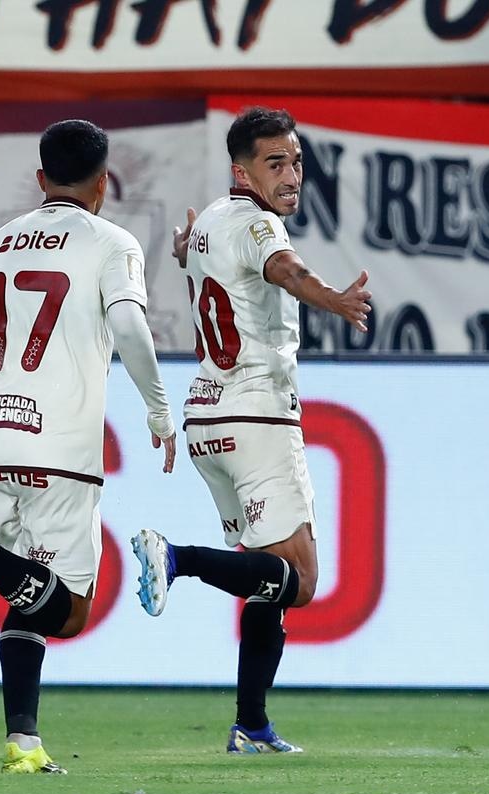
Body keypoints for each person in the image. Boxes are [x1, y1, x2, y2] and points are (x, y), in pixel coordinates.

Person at [0, 119, 176, 774]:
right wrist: (159, 410)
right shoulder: (112, 241)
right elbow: (130, 323)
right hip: (59, 443)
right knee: (70, 611)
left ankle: (23, 744)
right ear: (104, 183)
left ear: (41, 179)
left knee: (28, 591)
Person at [129, 106, 371, 754]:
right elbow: (286, 271)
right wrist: (337, 299)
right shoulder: (261, 227)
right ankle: (175, 558)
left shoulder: (208, 220)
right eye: (275, 163)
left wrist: (185, 252)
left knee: (266, 579)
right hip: (257, 415)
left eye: (295, 160)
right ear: (243, 170)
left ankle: (252, 724)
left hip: (207, 417)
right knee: (304, 581)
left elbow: (202, 267)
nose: (291, 175)